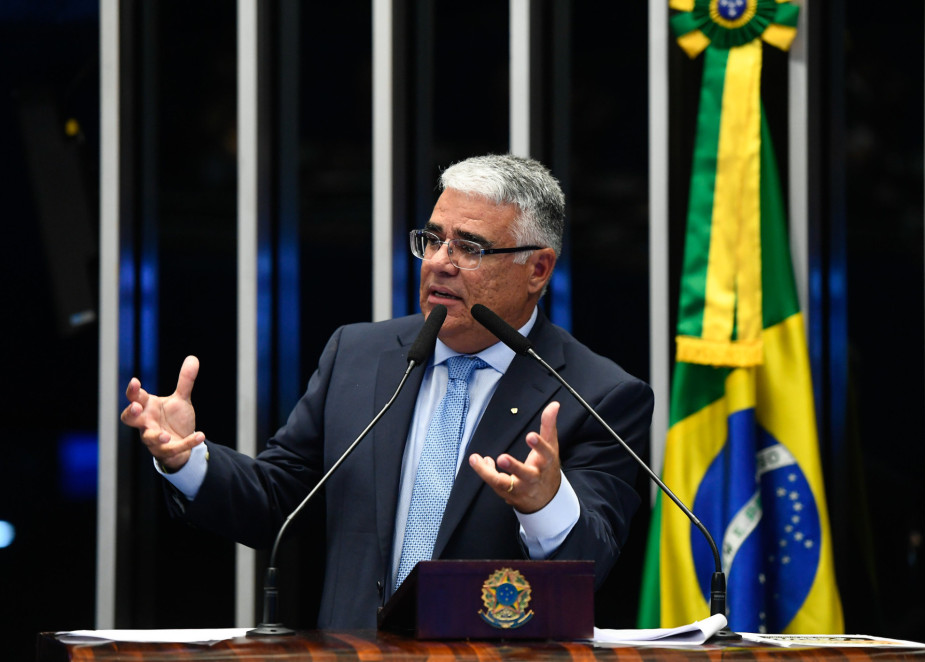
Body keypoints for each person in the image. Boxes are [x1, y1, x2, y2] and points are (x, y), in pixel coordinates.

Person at [120, 154, 654, 629]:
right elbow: (279, 501)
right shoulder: (358, 355)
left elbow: (592, 564)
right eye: (433, 239)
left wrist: (545, 506)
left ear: (537, 268)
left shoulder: (597, 395)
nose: (440, 262)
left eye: (469, 247)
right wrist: (189, 460)